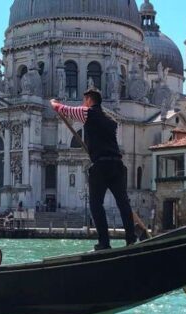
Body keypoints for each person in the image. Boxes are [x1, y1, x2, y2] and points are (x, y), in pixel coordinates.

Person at [51, 89, 136, 250]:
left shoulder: (87, 112)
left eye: (84, 100)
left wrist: (53, 103)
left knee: (96, 204)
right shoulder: (111, 121)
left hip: (101, 165)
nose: (83, 104)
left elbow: (63, 109)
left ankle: (104, 242)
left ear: (89, 100)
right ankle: (131, 239)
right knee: (123, 203)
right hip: (117, 165)